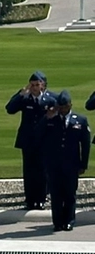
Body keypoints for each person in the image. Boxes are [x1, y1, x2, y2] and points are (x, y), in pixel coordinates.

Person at [36, 91, 90, 232]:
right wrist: (46, 118)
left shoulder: (80, 120)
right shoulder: (51, 120)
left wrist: (83, 164)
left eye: (65, 107)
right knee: (56, 193)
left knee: (70, 193)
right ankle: (58, 222)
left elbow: (85, 144)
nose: (62, 110)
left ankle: (69, 221)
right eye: (60, 107)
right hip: (53, 164)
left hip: (71, 164)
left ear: (70, 105)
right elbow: (37, 135)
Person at [6, 71, 50, 209]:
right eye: (32, 85)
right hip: (28, 140)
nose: (35, 88)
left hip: (44, 141)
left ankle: (41, 198)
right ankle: (30, 199)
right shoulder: (25, 98)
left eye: (37, 85)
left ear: (43, 85)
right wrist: (20, 94)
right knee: (29, 170)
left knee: (42, 170)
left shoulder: (50, 99)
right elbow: (10, 109)